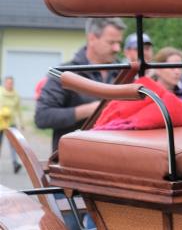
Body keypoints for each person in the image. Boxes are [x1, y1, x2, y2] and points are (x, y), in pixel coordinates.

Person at [36, 17, 126, 150]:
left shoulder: (124, 72)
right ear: (92, 39)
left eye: (119, 43)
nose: (117, 48)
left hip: (117, 154)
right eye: (111, 42)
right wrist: (90, 110)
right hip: (75, 158)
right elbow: (42, 117)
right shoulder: (64, 73)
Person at [0, 76, 23, 173]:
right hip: (0, 122)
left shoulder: (16, 94)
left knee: (13, 144)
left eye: (11, 83)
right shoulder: (0, 93)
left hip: (11, 123)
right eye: (8, 83)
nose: (10, 84)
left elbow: (18, 110)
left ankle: (15, 163)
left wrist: (20, 123)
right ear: (4, 83)